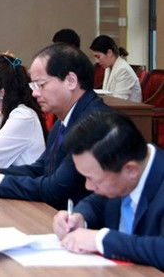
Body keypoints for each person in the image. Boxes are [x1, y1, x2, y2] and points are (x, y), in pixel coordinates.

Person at [0, 43, 110, 209]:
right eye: (33, 86)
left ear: (71, 81)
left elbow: (56, 188)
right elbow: (41, 168)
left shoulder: (94, 122)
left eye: (41, 84)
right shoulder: (65, 118)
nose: (35, 93)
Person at [52, 110, 164, 271]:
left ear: (130, 170)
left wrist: (101, 240)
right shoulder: (121, 173)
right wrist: (80, 218)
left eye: (92, 178)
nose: (88, 187)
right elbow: (97, 203)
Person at [89, 35, 142, 102]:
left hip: (128, 111)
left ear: (109, 53)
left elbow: (119, 100)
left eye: (98, 57)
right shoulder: (108, 68)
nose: (97, 61)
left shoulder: (123, 70)